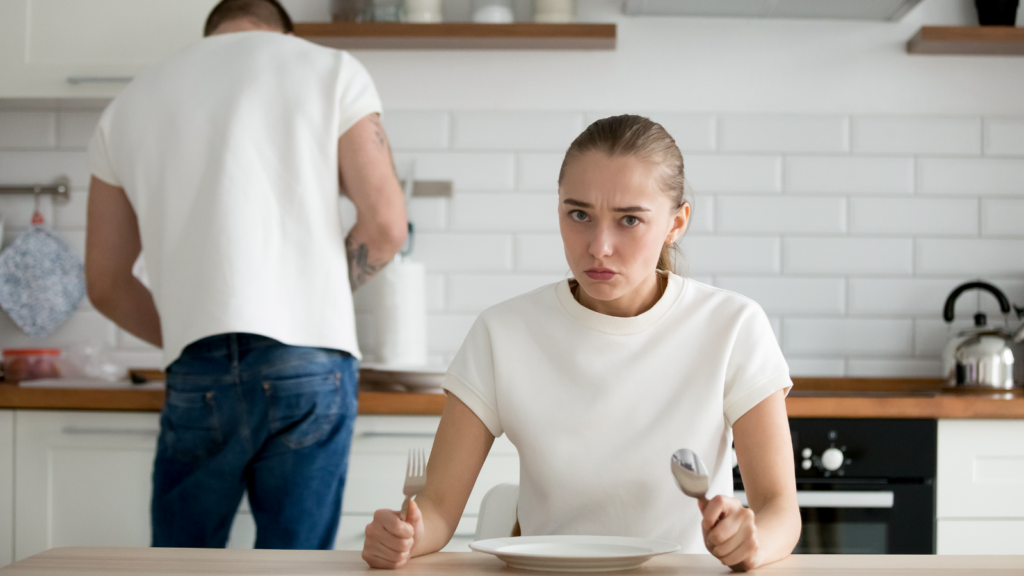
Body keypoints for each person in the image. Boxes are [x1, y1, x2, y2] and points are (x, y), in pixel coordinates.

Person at [361, 115, 801, 570]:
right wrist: (405, 535)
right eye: (579, 215)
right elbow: (436, 506)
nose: (599, 247)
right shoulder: (503, 332)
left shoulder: (732, 326)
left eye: (629, 219)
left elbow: (779, 510)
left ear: (676, 222)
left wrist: (753, 542)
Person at [84, 0, 407, 550]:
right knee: (297, 565)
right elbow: (386, 226)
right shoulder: (329, 70)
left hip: (196, 365)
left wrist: (194, 324)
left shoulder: (129, 103)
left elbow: (106, 282)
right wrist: (309, 294)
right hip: (309, 361)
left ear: (210, 35)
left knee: (181, 565)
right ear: (283, 31)